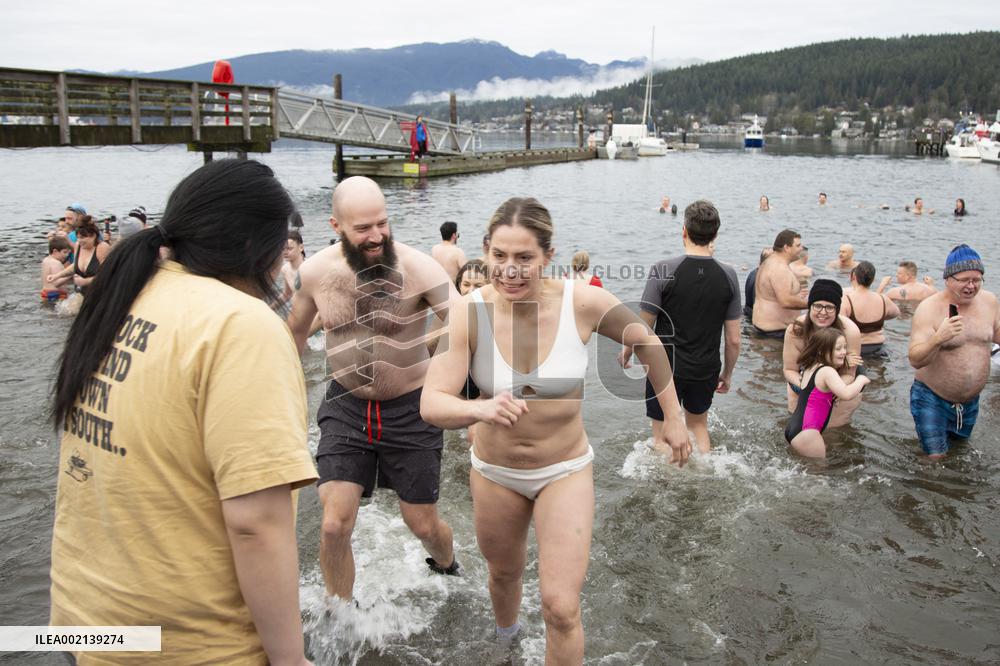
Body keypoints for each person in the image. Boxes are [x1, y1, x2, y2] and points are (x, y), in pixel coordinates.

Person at [48, 159, 317, 665]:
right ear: (253, 249)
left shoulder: (125, 291)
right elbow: (255, 522)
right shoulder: (241, 325)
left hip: (78, 621)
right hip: (185, 644)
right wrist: (290, 660)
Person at [420, 196, 690, 661]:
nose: (510, 270)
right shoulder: (469, 311)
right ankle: (506, 642)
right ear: (485, 251)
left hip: (563, 469)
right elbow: (431, 402)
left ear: (548, 255)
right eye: (499, 256)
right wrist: (478, 411)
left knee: (561, 607)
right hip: (495, 472)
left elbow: (648, 341)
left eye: (524, 258)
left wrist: (674, 417)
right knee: (504, 576)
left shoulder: (580, 302)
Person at [286, 176, 460, 603]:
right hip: (347, 407)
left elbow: (470, 325)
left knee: (423, 525)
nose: (376, 235)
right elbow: (290, 336)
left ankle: (447, 565)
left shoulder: (418, 268)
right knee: (333, 523)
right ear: (335, 225)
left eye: (382, 223)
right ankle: (340, 613)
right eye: (362, 228)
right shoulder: (313, 274)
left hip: (411, 410)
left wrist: (450, 381)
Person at [632, 200, 741, 453]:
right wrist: (727, 373)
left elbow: (643, 328)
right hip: (706, 366)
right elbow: (734, 340)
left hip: (664, 366)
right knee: (698, 425)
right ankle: (705, 472)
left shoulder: (662, 269)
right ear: (715, 234)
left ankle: (668, 482)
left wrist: (628, 351)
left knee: (661, 431)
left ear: (684, 231)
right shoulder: (729, 275)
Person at [908, 244, 1000, 458]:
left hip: (970, 403)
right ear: (948, 279)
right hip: (931, 397)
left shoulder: (989, 302)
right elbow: (915, 359)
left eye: (977, 280)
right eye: (964, 280)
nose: (971, 286)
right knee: (935, 459)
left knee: (959, 452)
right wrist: (939, 338)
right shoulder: (929, 308)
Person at [782, 279, 864, 428]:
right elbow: (789, 370)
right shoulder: (796, 330)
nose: (823, 312)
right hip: (804, 380)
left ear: (837, 310)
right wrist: (809, 389)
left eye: (829, 307)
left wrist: (829, 390)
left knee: (833, 430)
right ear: (809, 306)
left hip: (842, 381)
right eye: (818, 306)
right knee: (798, 428)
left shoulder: (850, 331)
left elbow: (850, 374)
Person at [785, 327, 870, 458]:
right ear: (821, 350)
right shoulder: (827, 371)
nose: (843, 352)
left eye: (844, 347)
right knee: (819, 474)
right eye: (838, 349)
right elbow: (846, 394)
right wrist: (861, 379)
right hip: (808, 432)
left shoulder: (811, 366)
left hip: (794, 427)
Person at [752, 229, 807, 338]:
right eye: (798, 245)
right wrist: (813, 302)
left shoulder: (769, 261)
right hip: (775, 333)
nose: (801, 249)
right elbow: (785, 301)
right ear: (786, 247)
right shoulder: (780, 268)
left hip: (763, 330)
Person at [841, 261, 901, 358]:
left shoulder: (846, 300)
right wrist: (880, 316)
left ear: (854, 277)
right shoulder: (882, 299)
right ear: (873, 279)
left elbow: (839, 326)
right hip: (879, 349)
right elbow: (895, 313)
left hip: (856, 350)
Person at [47, 216, 111, 294]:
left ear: (93, 236)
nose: (80, 241)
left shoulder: (102, 247)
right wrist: (57, 276)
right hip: (83, 293)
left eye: (83, 238)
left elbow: (107, 275)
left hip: (102, 294)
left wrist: (85, 281)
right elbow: (76, 266)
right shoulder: (78, 246)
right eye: (78, 238)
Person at [275, 230, 307, 316]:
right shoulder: (285, 269)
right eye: (282, 249)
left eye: (289, 248)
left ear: (301, 248)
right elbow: (287, 294)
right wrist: (269, 309)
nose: (285, 252)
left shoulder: (309, 269)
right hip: (297, 313)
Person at [40, 236, 73, 301]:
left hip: (45, 293)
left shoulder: (45, 260)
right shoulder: (56, 263)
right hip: (56, 294)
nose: (67, 255)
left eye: (68, 253)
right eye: (64, 252)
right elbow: (57, 283)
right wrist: (71, 274)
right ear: (55, 251)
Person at [744, 247, 773, 318]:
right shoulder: (763, 277)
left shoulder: (753, 273)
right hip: (756, 319)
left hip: (748, 313)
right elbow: (758, 305)